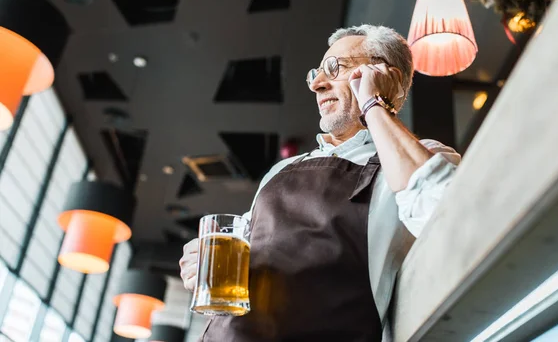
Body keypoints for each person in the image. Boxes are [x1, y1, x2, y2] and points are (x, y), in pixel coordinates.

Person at [179, 25, 461, 341]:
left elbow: (450, 216)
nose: (316, 83)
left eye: (334, 68)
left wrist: (373, 106)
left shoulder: (418, 157)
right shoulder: (283, 169)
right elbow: (246, 246)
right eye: (316, 72)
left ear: (386, 77)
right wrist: (201, 262)